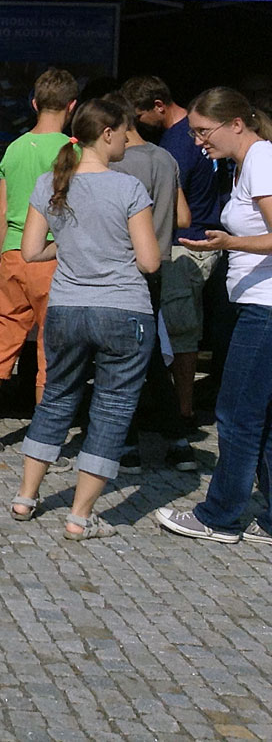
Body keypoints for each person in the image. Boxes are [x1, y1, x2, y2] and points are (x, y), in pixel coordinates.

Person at [10, 97, 161, 540]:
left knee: (56, 398)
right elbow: (150, 262)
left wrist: (71, 245)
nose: (128, 140)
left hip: (67, 308)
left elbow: (30, 251)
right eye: (125, 132)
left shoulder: (49, 183)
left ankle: (25, 496)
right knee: (112, 409)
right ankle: (80, 516)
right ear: (108, 134)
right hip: (122, 309)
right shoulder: (129, 187)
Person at [156, 88, 272, 545]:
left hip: (265, 308)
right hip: (257, 305)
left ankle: (220, 516)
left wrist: (229, 242)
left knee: (236, 412)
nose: (199, 142)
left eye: (204, 132)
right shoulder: (248, 163)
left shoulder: (261, 159)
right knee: (260, 415)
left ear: (236, 124)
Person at [0, 68, 77, 456]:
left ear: (34, 104)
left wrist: (3, 255)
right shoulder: (74, 152)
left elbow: (0, 210)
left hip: (13, 254)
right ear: (72, 106)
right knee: (51, 351)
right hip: (54, 257)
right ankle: (44, 442)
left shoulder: (14, 148)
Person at [124, 75, 220, 427]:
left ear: (159, 106)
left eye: (139, 117)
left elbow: (179, 212)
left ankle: (181, 412)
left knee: (180, 333)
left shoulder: (176, 145)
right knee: (179, 330)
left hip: (184, 245)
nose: (136, 125)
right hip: (196, 239)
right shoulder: (186, 136)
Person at [107, 99, 197, 472]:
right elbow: (183, 216)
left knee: (122, 358)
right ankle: (177, 440)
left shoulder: (117, 163)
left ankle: (128, 443)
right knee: (150, 354)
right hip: (158, 266)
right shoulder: (165, 158)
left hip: (124, 267)